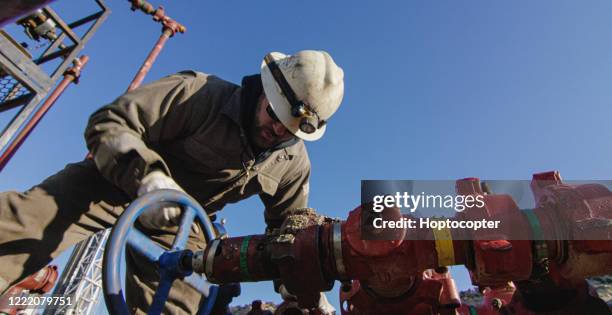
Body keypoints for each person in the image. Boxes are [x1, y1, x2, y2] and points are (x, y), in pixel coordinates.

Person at [0, 50, 344, 314]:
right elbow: (110, 122)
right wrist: (149, 179)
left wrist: (304, 290)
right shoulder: (199, 94)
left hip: (183, 224)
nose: (278, 131)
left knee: (190, 302)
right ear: (265, 90)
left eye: (292, 130)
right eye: (275, 115)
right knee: (20, 228)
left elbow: (289, 233)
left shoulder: (292, 162)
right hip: (114, 181)